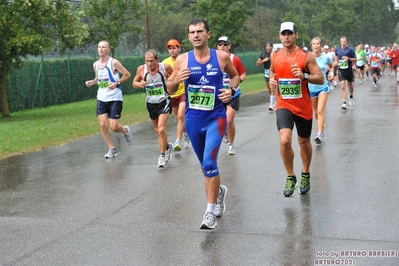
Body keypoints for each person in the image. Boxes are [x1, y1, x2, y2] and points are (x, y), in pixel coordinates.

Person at [166, 18, 240, 229]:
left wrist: (231, 91)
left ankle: (209, 212)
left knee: (209, 162)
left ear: (208, 34)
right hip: (193, 120)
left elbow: (235, 77)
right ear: (188, 36)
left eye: (200, 31)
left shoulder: (222, 57)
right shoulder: (181, 60)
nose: (196, 35)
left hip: (216, 118)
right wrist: (176, 80)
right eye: (192, 32)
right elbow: (170, 89)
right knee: (204, 166)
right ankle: (218, 192)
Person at [269, 22, 324, 198]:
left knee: (304, 143)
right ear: (279, 36)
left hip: (303, 106)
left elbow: (320, 78)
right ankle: (291, 176)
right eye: (283, 34)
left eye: (289, 34)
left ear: (296, 35)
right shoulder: (274, 56)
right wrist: (272, 81)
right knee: (285, 140)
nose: (286, 37)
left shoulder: (306, 56)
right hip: (284, 104)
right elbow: (272, 72)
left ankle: (305, 173)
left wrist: (304, 76)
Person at [85, 40, 133, 159]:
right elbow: (99, 78)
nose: (101, 49)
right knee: (102, 124)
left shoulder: (114, 63)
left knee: (114, 127)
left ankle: (124, 131)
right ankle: (112, 148)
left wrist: (117, 83)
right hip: (101, 97)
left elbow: (127, 74)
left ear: (108, 50)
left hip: (115, 97)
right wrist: (92, 82)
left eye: (103, 47)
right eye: (99, 47)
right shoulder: (95, 64)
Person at [132, 49, 174, 168]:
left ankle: (162, 156)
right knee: (157, 129)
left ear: (157, 60)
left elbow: (175, 75)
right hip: (151, 103)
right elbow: (134, 82)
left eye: (151, 61)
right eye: (147, 61)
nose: (149, 64)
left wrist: (169, 81)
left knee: (161, 129)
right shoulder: (141, 69)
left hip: (164, 100)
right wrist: (138, 84)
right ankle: (167, 146)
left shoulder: (165, 67)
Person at [217, 36, 246, 155]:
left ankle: (230, 145)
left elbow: (243, 73)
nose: (222, 46)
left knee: (229, 119)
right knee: (220, 120)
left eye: (225, 44)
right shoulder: (213, 59)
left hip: (232, 93)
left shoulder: (234, 59)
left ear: (229, 46)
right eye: (220, 44)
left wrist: (239, 80)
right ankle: (224, 132)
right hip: (218, 94)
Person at [162, 39, 190, 151]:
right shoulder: (165, 63)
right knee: (178, 118)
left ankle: (177, 141)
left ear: (179, 49)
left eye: (174, 48)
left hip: (183, 92)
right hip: (172, 94)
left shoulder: (184, 60)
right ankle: (186, 134)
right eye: (170, 48)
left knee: (180, 116)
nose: (172, 51)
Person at [309, 38, 334, 144]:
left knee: (320, 110)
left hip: (323, 86)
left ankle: (319, 134)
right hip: (311, 88)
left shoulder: (325, 57)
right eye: (314, 44)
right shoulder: (308, 57)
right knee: (315, 111)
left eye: (317, 44)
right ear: (311, 46)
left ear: (320, 46)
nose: (315, 45)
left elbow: (331, 66)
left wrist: (331, 73)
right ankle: (321, 126)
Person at [334, 36, 356, 110]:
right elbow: (336, 57)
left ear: (347, 42)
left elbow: (355, 59)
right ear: (340, 41)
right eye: (342, 41)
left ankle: (351, 96)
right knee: (342, 86)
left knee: (350, 85)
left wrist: (348, 58)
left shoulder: (350, 49)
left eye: (344, 41)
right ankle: (344, 102)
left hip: (349, 69)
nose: (343, 43)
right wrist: (336, 62)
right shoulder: (337, 49)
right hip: (341, 69)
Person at [256, 42, 275, 111]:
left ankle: (271, 105)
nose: (268, 48)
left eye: (269, 46)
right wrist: (263, 60)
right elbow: (257, 63)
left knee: (272, 88)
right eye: (267, 46)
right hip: (266, 72)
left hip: (273, 72)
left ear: (272, 47)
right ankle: (273, 101)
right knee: (269, 89)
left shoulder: (274, 54)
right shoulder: (263, 54)